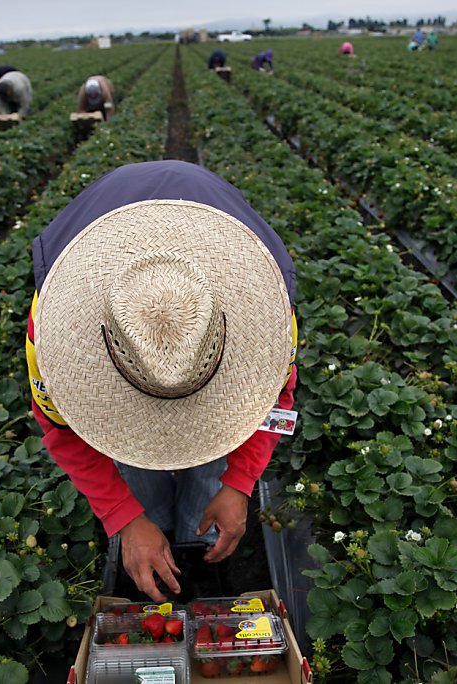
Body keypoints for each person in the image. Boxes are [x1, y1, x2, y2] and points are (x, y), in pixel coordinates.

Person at [26, 160, 298, 602]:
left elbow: (276, 400)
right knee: (127, 452)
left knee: (216, 449)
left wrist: (238, 483)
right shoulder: (52, 333)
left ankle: (197, 539)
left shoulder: (270, 315)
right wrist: (124, 516)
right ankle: (153, 528)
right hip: (98, 226)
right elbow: (63, 432)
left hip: (213, 211)